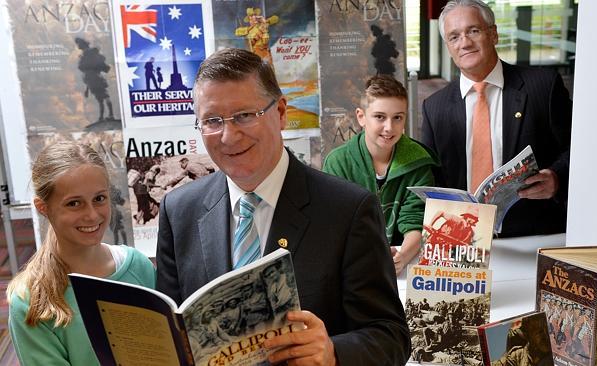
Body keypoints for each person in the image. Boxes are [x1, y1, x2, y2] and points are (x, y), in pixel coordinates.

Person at [156, 48, 410, 365]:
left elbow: (391, 337)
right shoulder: (178, 210)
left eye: (244, 116)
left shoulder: (348, 210)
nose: (228, 136)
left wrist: (333, 353)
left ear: (280, 113)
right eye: (212, 121)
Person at [421, 0, 572, 237]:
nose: (465, 43)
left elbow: (578, 149)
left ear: (493, 34)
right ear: (448, 47)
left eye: (473, 31)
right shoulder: (434, 107)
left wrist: (557, 177)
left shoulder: (543, 86)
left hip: (533, 236)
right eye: (454, 37)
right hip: (465, 243)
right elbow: (430, 177)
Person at [6, 141, 156, 365]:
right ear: (43, 208)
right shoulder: (31, 302)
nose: (92, 215)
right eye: (74, 203)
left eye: (99, 199)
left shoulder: (138, 266)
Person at [323, 75, 436, 275]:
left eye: (397, 118)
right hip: (352, 265)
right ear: (361, 117)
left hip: (402, 267)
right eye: (380, 117)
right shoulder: (337, 163)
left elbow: (416, 221)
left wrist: (402, 257)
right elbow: (335, 228)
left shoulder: (418, 162)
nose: (389, 128)